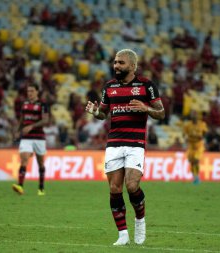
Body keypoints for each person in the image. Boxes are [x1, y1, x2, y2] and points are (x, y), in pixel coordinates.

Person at [85, 49, 165, 246]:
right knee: (114, 189)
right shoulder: (109, 87)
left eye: (120, 63)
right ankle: (122, 235)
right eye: (115, 62)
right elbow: (104, 114)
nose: (116, 66)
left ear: (132, 66)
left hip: (135, 143)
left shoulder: (146, 85)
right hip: (114, 143)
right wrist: (95, 112)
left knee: (132, 185)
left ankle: (140, 221)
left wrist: (146, 108)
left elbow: (161, 113)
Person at [12, 84, 50, 196]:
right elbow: (21, 119)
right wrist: (18, 131)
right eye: (28, 91)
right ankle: (20, 186)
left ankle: (41, 187)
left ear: (37, 92)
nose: (30, 93)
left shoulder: (42, 104)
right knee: (24, 159)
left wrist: (31, 126)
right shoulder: (24, 104)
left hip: (39, 137)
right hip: (26, 137)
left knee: (41, 163)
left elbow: (45, 120)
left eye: (32, 91)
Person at [183, 111, 208, 184]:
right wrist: (185, 138)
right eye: (193, 116)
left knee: (196, 160)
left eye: (195, 115)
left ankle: (197, 177)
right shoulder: (188, 125)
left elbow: (205, 133)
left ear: (198, 117)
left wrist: (203, 137)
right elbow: (184, 134)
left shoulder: (202, 124)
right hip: (191, 145)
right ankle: (195, 177)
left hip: (199, 145)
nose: (194, 117)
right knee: (191, 162)